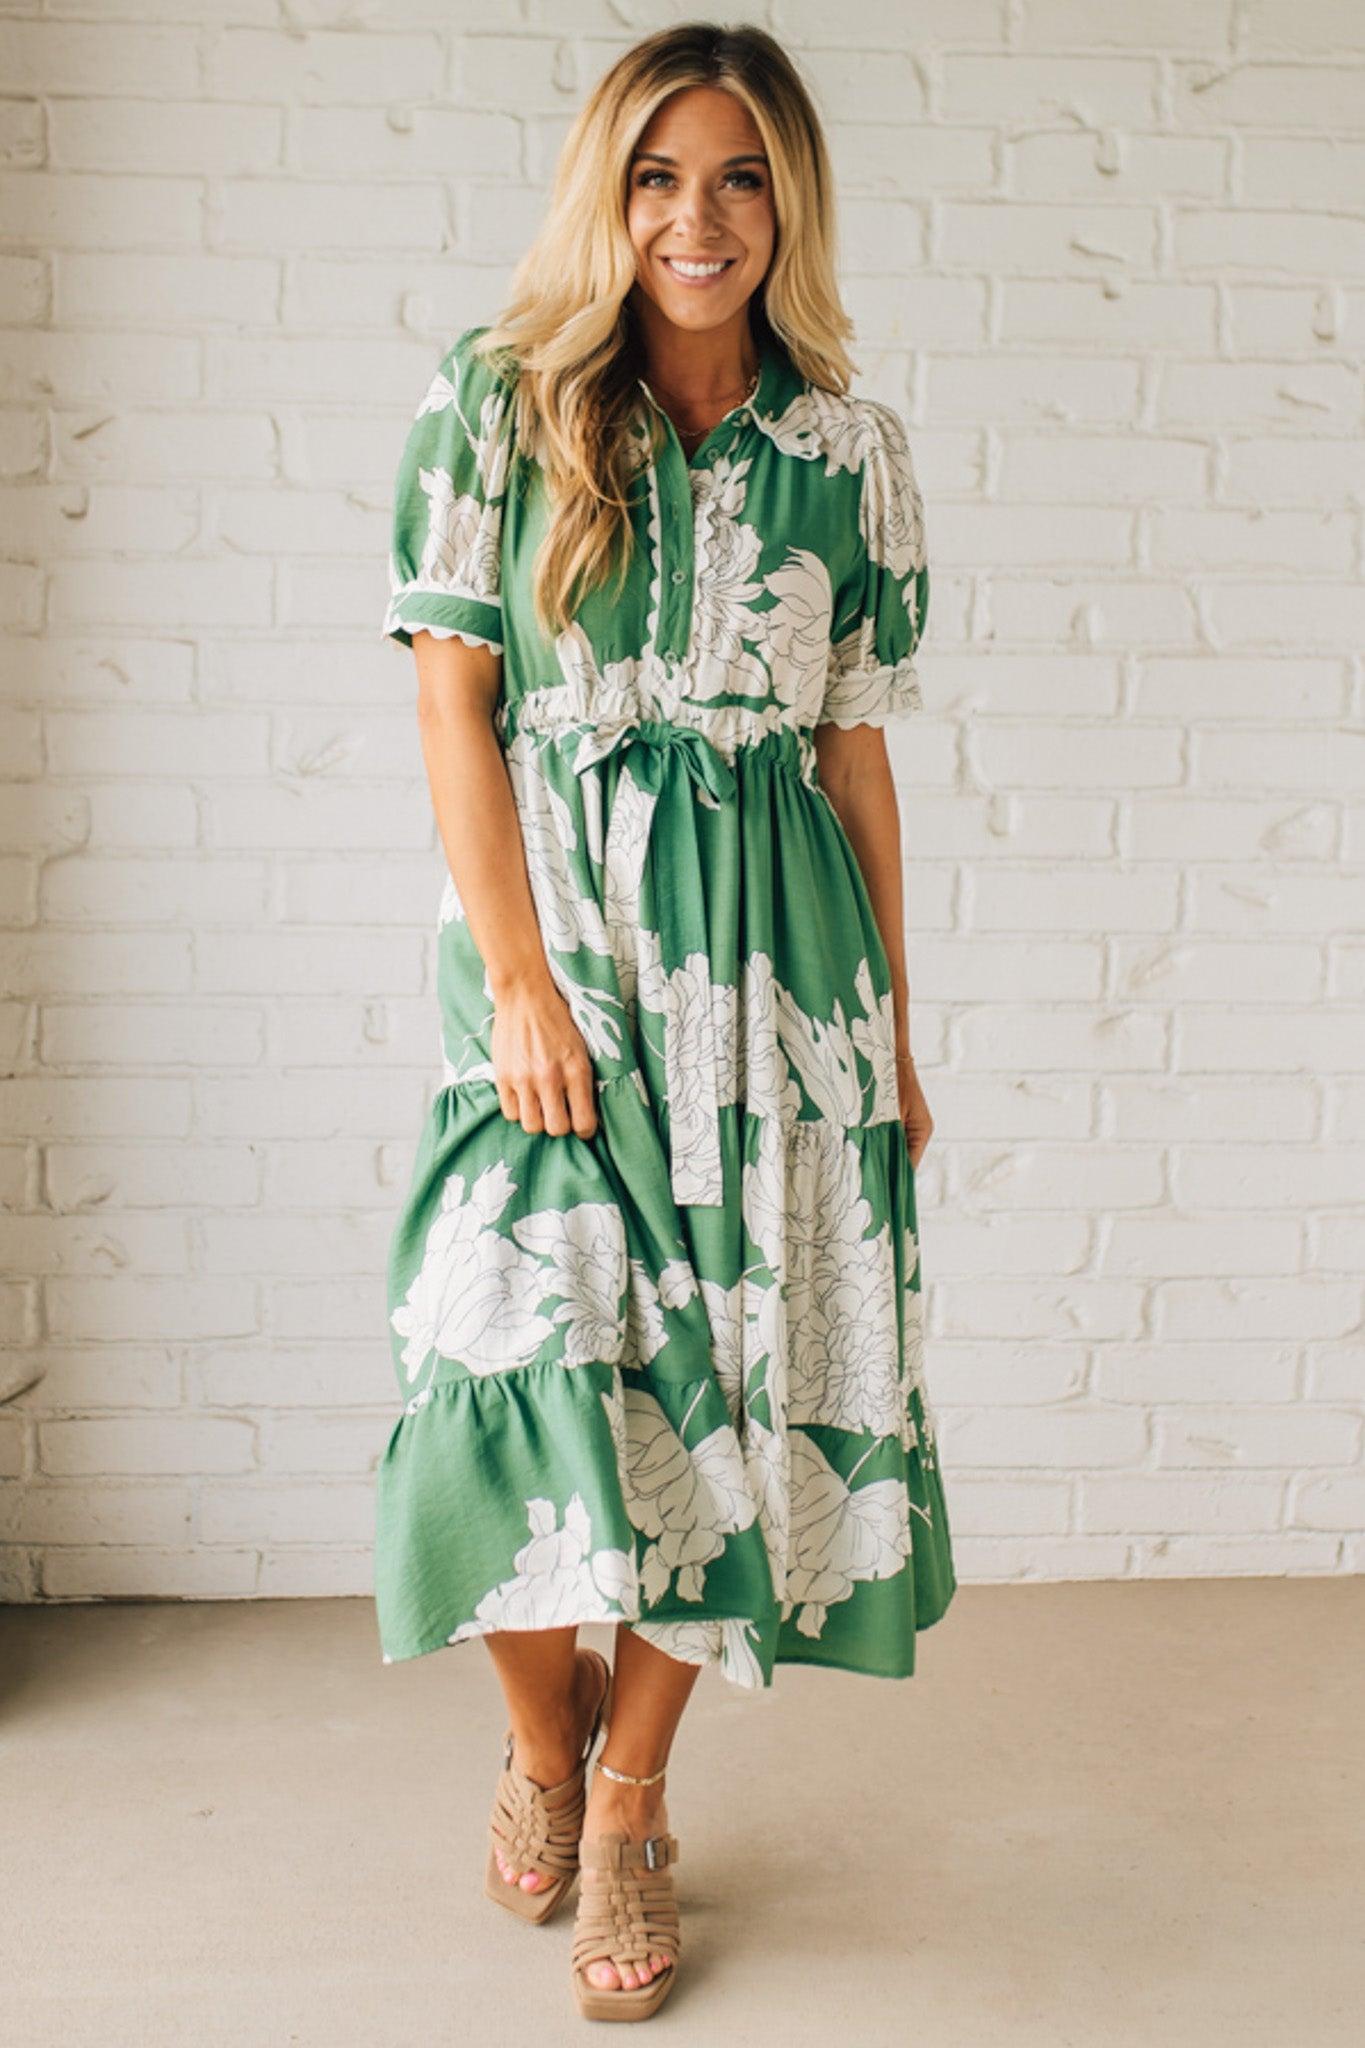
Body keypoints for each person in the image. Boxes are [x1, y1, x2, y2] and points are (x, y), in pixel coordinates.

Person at [372, 20, 957, 2022]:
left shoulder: (844, 452)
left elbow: (853, 759)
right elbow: (451, 697)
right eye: (651, 176)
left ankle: (630, 1797)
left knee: (740, 1385)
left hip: (783, 981)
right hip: (566, 968)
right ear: (601, 197)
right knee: (495, 1353)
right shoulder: (502, 403)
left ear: (781, 199)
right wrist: (517, 978)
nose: (691, 219)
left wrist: (885, 1032)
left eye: (730, 177)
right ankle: (541, 1732)